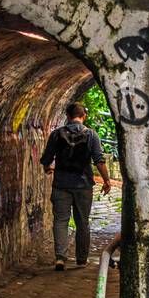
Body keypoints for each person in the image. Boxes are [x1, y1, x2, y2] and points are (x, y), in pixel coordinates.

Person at [40, 102, 111, 271]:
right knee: (82, 222)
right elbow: (99, 160)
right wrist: (106, 181)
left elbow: (46, 158)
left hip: (61, 184)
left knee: (61, 221)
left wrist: (48, 168)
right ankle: (81, 259)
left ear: (68, 116)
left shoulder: (57, 134)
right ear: (83, 116)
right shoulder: (91, 135)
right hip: (83, 185)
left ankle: (60, 258)